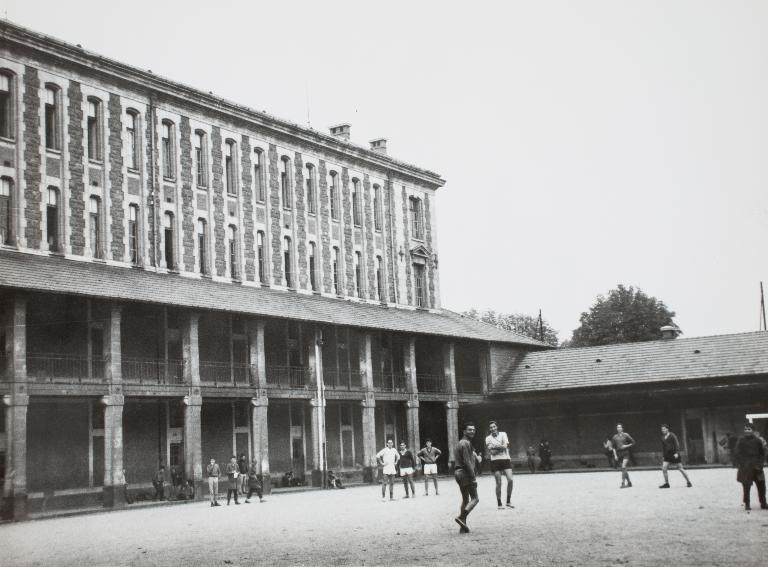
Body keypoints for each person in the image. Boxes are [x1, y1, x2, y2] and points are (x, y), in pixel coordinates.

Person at [454, 423, 481, 533]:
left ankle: (462, 526)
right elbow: (468, 462)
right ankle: (461, 517)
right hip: (465, 473)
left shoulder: (460, 443)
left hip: (458, 472)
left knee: (465, 499)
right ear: (464, 431)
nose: (472, 431)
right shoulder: (465, 443)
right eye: (469, 430)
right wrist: (473, 478)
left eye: (473, 430)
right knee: (475, 498)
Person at [734, 423, 767, 511]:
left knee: (761, 485)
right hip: (746, 467)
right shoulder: (741, 441)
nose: (747, 432)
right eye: (746, 430)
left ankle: (763, 503)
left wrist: (760, 464)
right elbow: (737, 453)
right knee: (746, 485)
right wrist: (743, 462)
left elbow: (762, 454)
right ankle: (747, 503)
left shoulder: (758, 441)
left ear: (753, 431)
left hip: (757, 467)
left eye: (749, 430)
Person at [485, 421, 514, 509]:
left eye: (494, 427)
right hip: (495, 461)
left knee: (510, 480)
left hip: (505, 459)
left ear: (497, 427)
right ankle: (499, 503)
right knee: (499, 482)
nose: (493, 429)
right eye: (491, 427)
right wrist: (500, 446)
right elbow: (492, 452)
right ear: (489, 429)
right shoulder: (488, 438)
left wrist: (496, 447)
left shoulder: (503, 434)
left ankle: (508, 501)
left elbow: (505, 446)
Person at [659, 424, 692, 488]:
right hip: (667, 455)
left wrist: (677, 453)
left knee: (680, 468)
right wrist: (663, 456)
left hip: (674, 454)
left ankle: (688, 482)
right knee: (664, 468)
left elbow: (677, 444)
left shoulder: (672, 435)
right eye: (662, 429)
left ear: (667, 429)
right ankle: (667, 483)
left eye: (664, 429)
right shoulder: (662, 437)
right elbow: (663, 447)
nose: (663, 430)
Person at [612, 423, 635, 488]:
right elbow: (613, 447)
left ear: (622, 428)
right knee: (624, 469)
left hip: (626, 453)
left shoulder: (626, 435)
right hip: (619, 454)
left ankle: (623, 483)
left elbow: (633, 442)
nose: (618, 428)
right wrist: (615, 455)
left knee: (623, 466)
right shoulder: (614, 437)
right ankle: (629, 482)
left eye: (620, 427)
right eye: (617, 427)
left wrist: (626, 446)